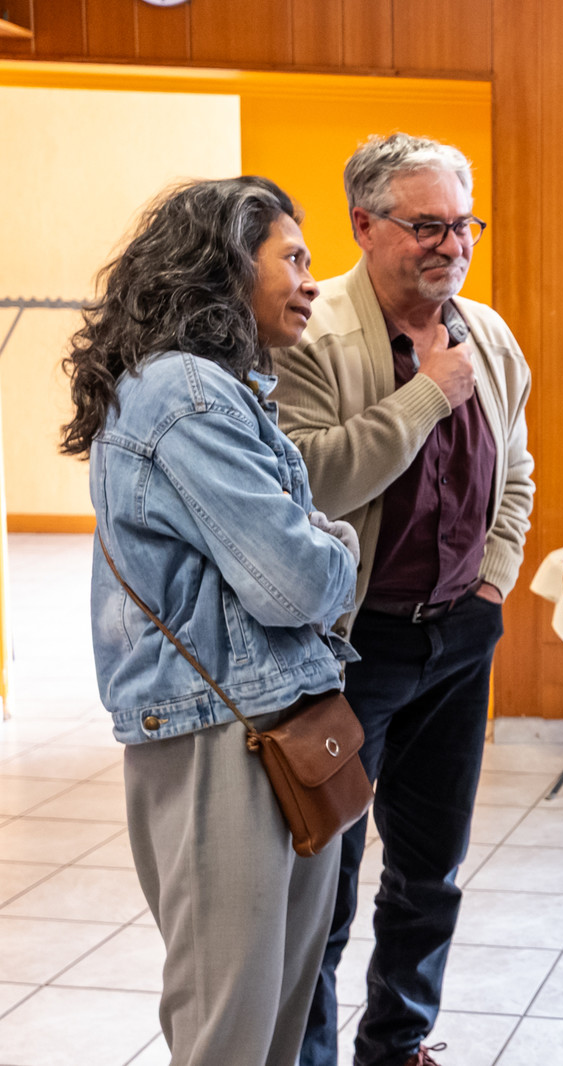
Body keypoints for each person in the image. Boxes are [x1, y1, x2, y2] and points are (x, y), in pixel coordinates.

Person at [64, 177, 359, 1066]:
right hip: (214, 737)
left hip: (269, 727)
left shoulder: (220, 388)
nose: (312, 280)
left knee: (271, 1021)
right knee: (228, 1032)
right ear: (228, 266)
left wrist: (315, 543)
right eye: (293, 258)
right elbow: (296, 584)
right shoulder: (185, 393)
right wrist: (338, 541)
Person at [273, 133, 535, 1066]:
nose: (451, 244)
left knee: (430, 870)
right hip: (351, 651)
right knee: (326, 881)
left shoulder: (489, 336)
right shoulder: (313, 339)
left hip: (459, 638)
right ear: (363, 225)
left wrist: (495, 580)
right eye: (427, 225)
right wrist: (426, 394)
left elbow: (518, 474)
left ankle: (398, 1045)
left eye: (462, 224)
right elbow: (309, 481)